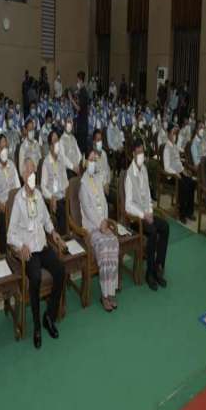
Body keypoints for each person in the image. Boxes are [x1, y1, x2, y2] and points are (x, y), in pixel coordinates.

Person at [7, 159, 66, 349]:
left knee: (60, 271)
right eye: (29, 173)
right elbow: (10, 234)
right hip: (30, 252)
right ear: (23, 176)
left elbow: (46, 220)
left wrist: (54, 233)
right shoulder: (18, 200)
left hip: (42, 246)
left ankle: (49, 316)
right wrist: (20, 246)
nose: (32, 176)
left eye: (34, 173)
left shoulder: (39, 195)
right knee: (35, 277)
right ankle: (37, 326)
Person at [79, 149, 120, 312]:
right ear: (85, 162)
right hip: (91, 228)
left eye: (95, 160)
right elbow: (88, 209)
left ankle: (111, 291)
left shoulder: (97, 179)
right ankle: (104, 295)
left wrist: (106, 222)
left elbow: (103, 204)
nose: (93, 163)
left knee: (114, 241)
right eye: (90, 160)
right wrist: (100, 224)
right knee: (104, 246)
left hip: (103, 224)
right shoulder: (83, 184)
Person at [126, 142, 169, 290]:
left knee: (165, 227)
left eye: (142, 153)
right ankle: (149, 273)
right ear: (133, 154)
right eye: (138, 153)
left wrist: (150, 211)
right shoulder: (129, 175)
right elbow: (128, 205)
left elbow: (148, 194)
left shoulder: (144, 169)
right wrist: (143, 215)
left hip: (147, 214)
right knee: (153, 231)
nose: (141, 156)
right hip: (136, 219)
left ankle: (158, 267)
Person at [0, 134, 21, 253]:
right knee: (3, 219)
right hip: (4, 208)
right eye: (2, 148)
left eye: (6, 148)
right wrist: (6, 209)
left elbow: (18, 188)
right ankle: (5, 254)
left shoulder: (12, 165)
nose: (4, 151)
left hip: (16, 204)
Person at [163, 127, 196, 220]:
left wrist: (183, 170)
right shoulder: (167, 148)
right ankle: (182, 213)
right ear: (168, 135)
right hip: (171, 176)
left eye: (175, 134)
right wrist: (176, 173)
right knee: (184, 185)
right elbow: (166, 167)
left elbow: (178, 162)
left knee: (191, 182)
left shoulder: (175, 146)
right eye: (173, 133)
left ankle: (189, 212)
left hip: (179, 173)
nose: (175, 135)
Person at [40, 129, 69, 235]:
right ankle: (63, 239)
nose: (57, 144)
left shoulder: (61, 160)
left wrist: (68, 193)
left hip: (63, 197)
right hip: (53, 200)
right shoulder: (46, 163)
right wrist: (51, 197)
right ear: (50, 146)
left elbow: (66, 181)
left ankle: (73, 237)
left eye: (58, 141)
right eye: (54, 142)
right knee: (62, 211)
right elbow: (43, 187)